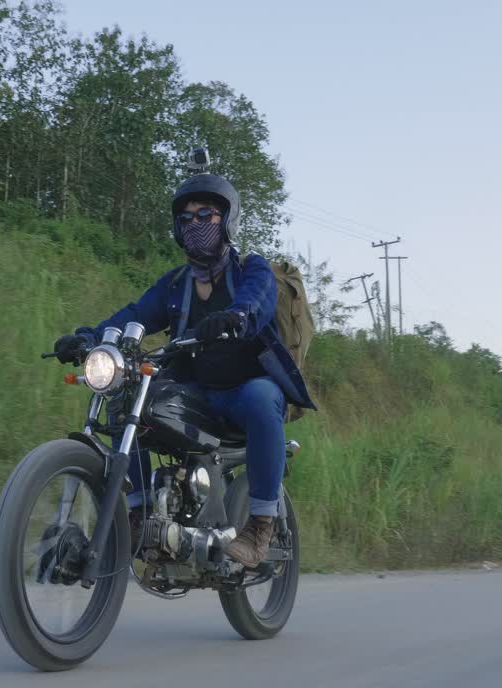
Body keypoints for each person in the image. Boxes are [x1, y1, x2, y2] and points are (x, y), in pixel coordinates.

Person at [51, 172, 314, 568]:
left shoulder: (251, 269)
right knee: (126, 394)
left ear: (226, 220)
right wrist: (88, 337)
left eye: (205, 214)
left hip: (243, 391)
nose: (195, 224)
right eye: (187, 218)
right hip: (196, 393)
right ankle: (139, 515)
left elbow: (256, 302)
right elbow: (134, 315)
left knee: (263, 398)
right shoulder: (176, 284)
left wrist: (233, 317)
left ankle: (262, 525)